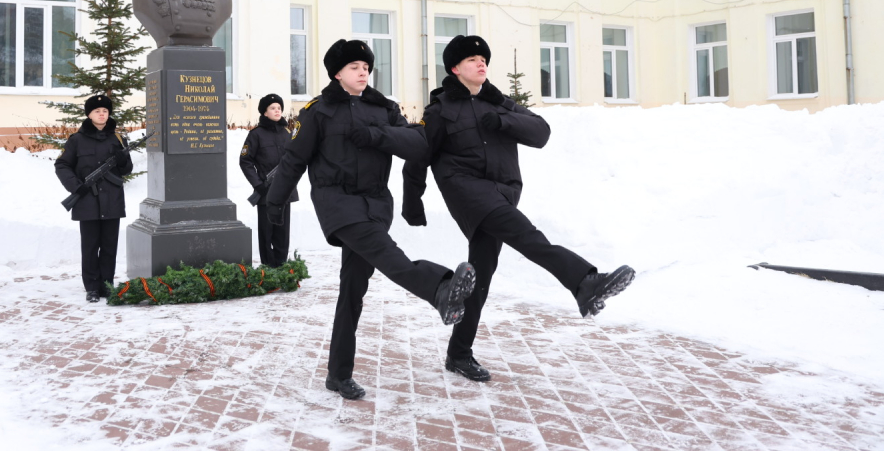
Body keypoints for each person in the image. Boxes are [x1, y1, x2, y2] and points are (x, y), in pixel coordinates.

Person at [403, 35, 635, 382]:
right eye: (471, 60)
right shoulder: (440, 111)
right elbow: (418, 156)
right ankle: (584, 282)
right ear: (454, 69)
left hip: (503, 192)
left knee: (479, 279)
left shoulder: (499, 103)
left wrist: (504, 121)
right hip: (467, 190)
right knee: (529, 237)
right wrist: (412, 202)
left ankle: (458, 354)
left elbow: (541, 133)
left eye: (483, 58)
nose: (480, 64)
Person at [266, 39, 476, 401]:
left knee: (352, 292)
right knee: (388, 255)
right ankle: (438, 288)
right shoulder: (318, 112)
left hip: (376, 204)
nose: (362, 72)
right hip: (338, 204)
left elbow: (418, 144)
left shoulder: (384, 109)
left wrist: (379, 136)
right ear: (337, 73)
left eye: (366, 67)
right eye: (354, 67)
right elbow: (293, 160)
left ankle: (338, 374)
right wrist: (274, 203)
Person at [55, 94, 134, 303]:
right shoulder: (76, 140)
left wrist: (122, 158)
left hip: (112, 201)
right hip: (87, 200)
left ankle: (106, 285)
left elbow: (127, 169)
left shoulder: (117, 139)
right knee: (90, 247)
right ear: (89, 114)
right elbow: (62, 165)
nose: (102, 114)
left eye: (105, 111)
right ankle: (91, 287)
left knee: (109, 246)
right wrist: (76, 187)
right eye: (97, 111)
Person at [239, 93, 298, 267]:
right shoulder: (256, 135)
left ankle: (281, 267)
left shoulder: (287, 133)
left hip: (285, 190)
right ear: (265, 112)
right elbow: (245, 161)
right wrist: (258, 184)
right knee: (267, 232)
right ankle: (268, 269)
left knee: (282, 232)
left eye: (279, 108)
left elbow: (295, 159)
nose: (277, 110)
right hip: (266, 190)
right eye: (273, 108)